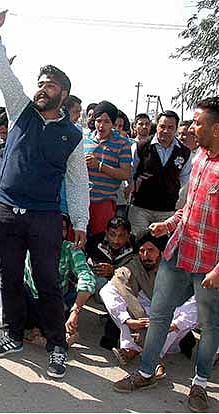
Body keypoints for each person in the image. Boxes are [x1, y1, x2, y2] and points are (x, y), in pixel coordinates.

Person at [0, 10, 89, 378]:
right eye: (40, 83)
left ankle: (57, 346)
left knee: (48, 282)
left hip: (45, 217)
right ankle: (13, 334)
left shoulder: (72, 136)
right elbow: (4, 75)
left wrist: (80, 221)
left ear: (63, 93)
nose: (42, 88)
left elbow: (77, 182)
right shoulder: (21, 111)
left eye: (50, 85)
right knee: (10, 276)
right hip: (7, 211)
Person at [112, 97, 219, 413]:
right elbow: (189, 208)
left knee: (210, 327)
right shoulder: (199, 158)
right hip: (178, 252)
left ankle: (199, 385)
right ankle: (146, 372)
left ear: (216, 128)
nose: (191, 128)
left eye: (197, 123)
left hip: (210, 265)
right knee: (159, 315)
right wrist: (168, 224)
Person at [101, 232, 197, 374]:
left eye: (151, 250)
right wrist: (128, 320)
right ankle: (142, 352)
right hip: (142, 319)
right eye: (142, 251)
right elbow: (113, 287)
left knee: (192, 305)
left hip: (170, 325)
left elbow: (195, 301)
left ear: (162, 252)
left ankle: (144, 353)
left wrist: (172, 325)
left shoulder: (177, 268)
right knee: (111, 291)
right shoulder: (135, 266)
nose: (145, 255)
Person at [24, 215, 96, 346]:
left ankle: (47, 331)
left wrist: (75, 310)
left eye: (62, 228)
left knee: (73, 293)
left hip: (58, 299)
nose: (57, 232)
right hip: (33, 299)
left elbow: (86, 276)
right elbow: (35, 289)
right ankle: (40, 329)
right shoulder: (32, 247)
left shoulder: (70, 248)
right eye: (53, 227)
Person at [129, 110, 192, 237]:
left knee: (162, 246)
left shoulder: (184, 152)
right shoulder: (140, 147)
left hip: (167, 211)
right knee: (138, 243)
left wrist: (170, 186)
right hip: (140, 208)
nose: (166, 131)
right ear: (156, 126)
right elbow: (131, 172)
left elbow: (184, 178)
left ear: (176, 128)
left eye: (170, 127)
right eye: (162, 126)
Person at [84, 100, 132, 236]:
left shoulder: (123, 143)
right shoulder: (84, 139)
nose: (101, 125)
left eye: (106, 121)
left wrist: (100, 166)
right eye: (98, 121)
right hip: (82, 201)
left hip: (103, 202)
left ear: (112, 123)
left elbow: (125, 174)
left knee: (99, 241)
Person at [86, 216, 136, 296]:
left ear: (128, 236)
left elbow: (137, 270)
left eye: (121, 236)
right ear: (106, 233)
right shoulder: (95, 242)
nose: (116, 240)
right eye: (112, 234)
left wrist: (114, 270)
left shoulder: (135, 246)